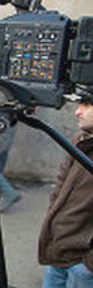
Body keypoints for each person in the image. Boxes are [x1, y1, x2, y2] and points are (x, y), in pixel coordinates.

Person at [38, 87, 93, 288]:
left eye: (86, 105)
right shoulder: (81, 140)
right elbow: (61, 184)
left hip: (83, 266)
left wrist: (88, 265)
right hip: (58, 253)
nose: (78, 111)